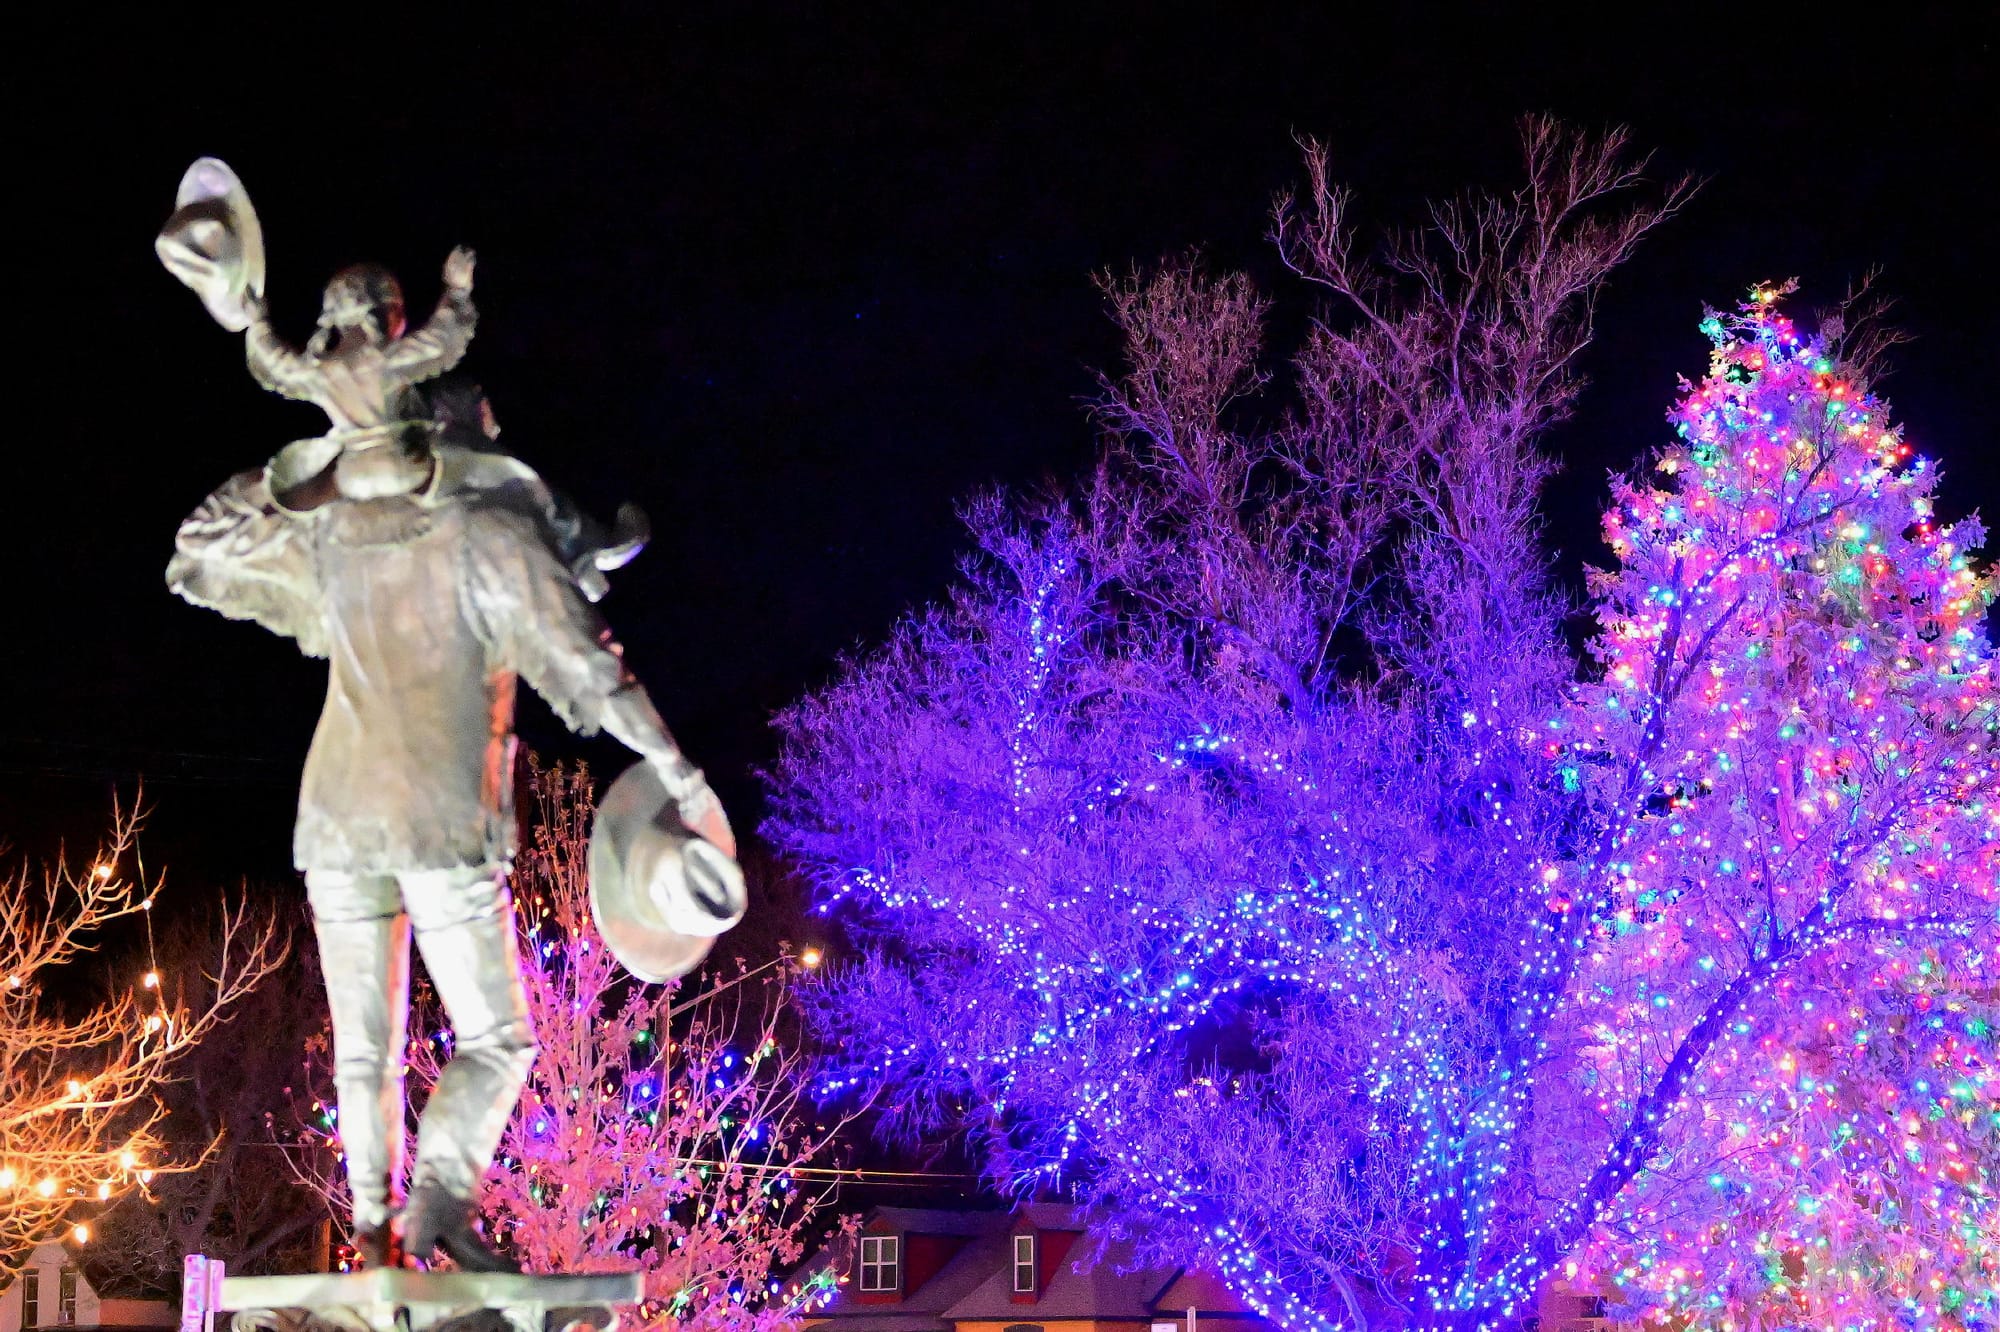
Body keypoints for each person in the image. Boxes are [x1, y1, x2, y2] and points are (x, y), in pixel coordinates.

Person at [167, 250, 735, 1272]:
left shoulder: (331, 536)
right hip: (441, 822)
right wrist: (681, 776)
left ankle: (375, 1232)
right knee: (498, 1037)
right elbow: (592, 671)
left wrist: (308, 471)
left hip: (336, 817)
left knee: (364, 1051)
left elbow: (200, 547)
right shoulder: (486, 533)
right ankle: (436, 1203)